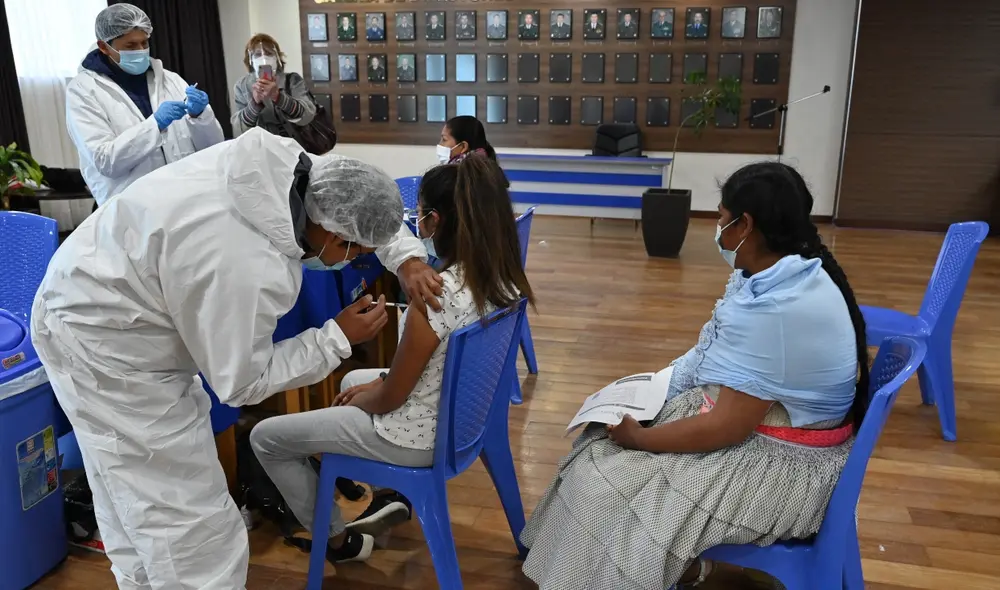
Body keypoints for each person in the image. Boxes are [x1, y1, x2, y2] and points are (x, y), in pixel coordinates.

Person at [31, 128, 438, 588]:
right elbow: (241, 381)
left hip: (91, 293)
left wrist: (406, 256)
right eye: (352, 250)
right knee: (191, 524)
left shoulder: (288, 167)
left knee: (126, 488)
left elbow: (358, 207)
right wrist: (335, 339)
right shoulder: (242, 261)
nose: (355, 260)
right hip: (107, 345)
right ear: (329, 231)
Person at [521, 162, 870, 589]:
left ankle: (624, 571)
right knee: (599, 442)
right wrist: (655, 385)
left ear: (746, 225)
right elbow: (714, 358)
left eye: (722, 218)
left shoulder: (776, 311)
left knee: (604, 483)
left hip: (785, 469)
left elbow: (726, 427)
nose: (717, 228)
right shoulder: (784, 274)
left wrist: (642, 439)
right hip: (776, 430)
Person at [250, 155, 534, 564]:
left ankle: (335, 542)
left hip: (416, 439)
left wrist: (371, 394)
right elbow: (434, 367)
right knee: (352, 383)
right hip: (462, 422)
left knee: (267, 437)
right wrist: (376, 385)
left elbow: (390, 399)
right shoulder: (503, 279)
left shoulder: (432, 297)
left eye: (417, 216)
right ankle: (388, 494)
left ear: (433, 222)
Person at [66, 3, 224, 207]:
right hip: (133, 209)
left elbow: (213, 148)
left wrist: (200, 117)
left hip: (187, 199)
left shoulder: (171, 79)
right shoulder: (84, 90)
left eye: (144, 43)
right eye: (131, 46)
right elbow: (105, 161)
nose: (141, 51)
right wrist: (155, 125)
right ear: (104, 47)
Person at [232, 34, 316, 139]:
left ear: (277, 57)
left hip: (295, 145)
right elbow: (239, 129)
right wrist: (255, 104)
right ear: (250, 60)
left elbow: (308, 115)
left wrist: (278, 97)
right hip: (260, 148)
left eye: (269, 54)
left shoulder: (293, 80)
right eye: (258, 54)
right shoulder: (242, 86)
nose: (264, 58)